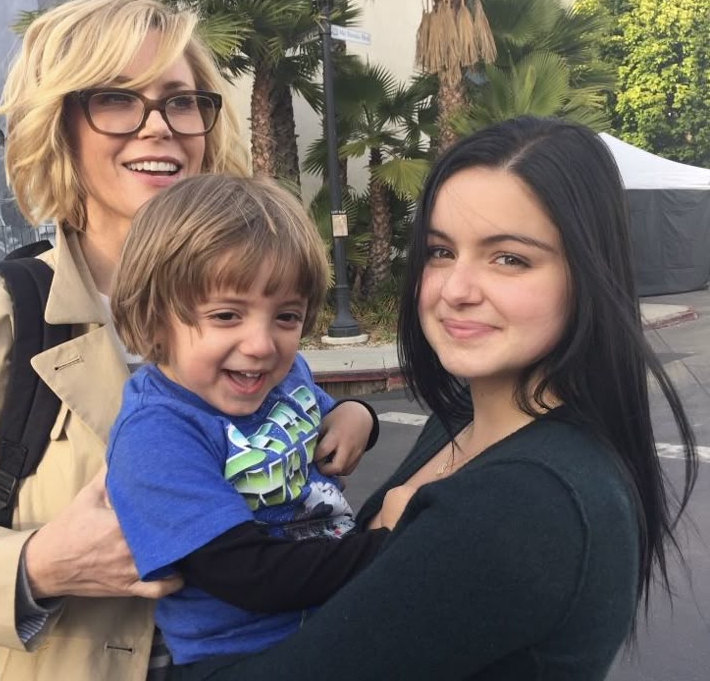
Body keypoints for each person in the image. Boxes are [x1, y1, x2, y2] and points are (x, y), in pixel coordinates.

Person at [189, 116, 699, 681]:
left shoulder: (525, 503)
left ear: (587, 271)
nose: (457, 289)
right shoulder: (462, 417)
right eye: (439, 251)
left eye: (509, 258)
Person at [0, 0, 364, 681]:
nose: (158, 126)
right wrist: (38, 565)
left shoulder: (249, 290)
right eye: (117, 98)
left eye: (180, 101)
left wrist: (350, 415)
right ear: (59, 122)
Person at [105, 174, 402, 679]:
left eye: (286, 316)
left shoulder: (280, 380)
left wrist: (360, 417)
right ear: (156, 320)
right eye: (226, 315)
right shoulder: (157, 433)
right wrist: (397, 546)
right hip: (241, 650)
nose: (262, 344)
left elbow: (326, 415)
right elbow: (248, 574)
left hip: (328, 610)